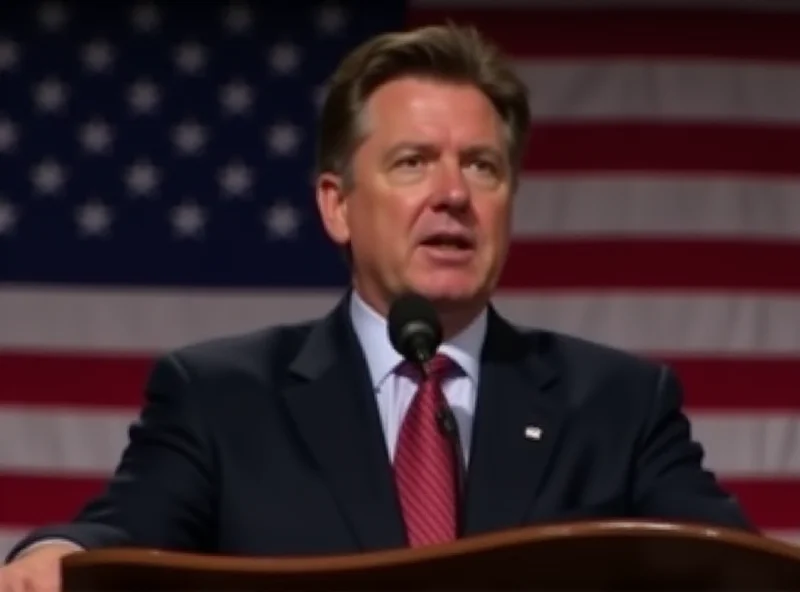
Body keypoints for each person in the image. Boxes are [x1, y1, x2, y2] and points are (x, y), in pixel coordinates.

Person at [0, 23, 753, 591]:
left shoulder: (618, 405)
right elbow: (124, 530)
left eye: (482, 166)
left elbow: (737, 569)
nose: (453, 194)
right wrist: (54, 553)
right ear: (337, 207)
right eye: (413, 162)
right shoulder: (222, 399)